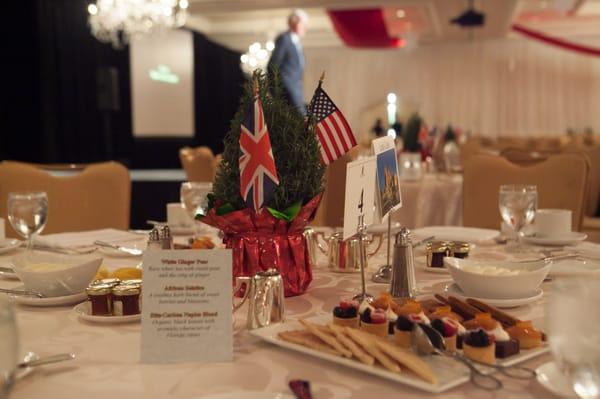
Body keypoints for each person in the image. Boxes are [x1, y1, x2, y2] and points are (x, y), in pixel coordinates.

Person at [268, 9, 308, 114]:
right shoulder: (284, 39)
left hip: (296, 92)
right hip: (287, 92)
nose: (305, 27)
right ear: (293, 22)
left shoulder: (296, 43)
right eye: (303, 23)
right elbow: (273, 66)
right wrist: (277, 92)